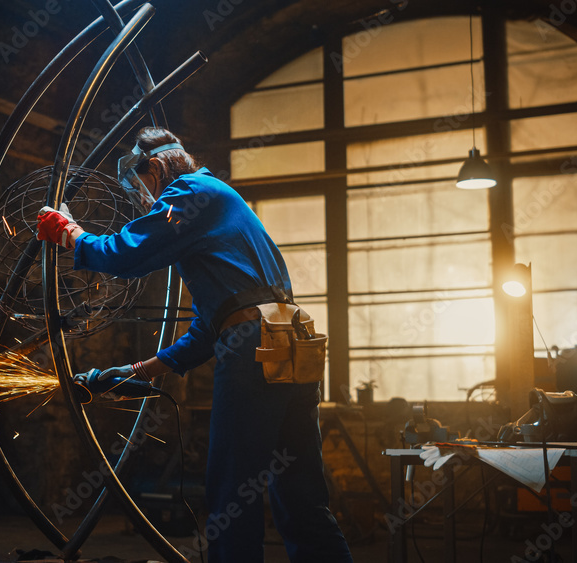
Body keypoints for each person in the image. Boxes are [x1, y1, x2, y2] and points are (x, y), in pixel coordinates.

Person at [37, 127, 353, 562]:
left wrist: (70, 233)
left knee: (232, 496)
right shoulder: (224, 207)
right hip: (290, 345)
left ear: (157, 167)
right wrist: (134, 372)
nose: (145, 198)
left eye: (141, 184)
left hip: (256, 351)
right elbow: (208, 332)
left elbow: (125, 254)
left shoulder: (191, 191)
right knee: (301, 499)